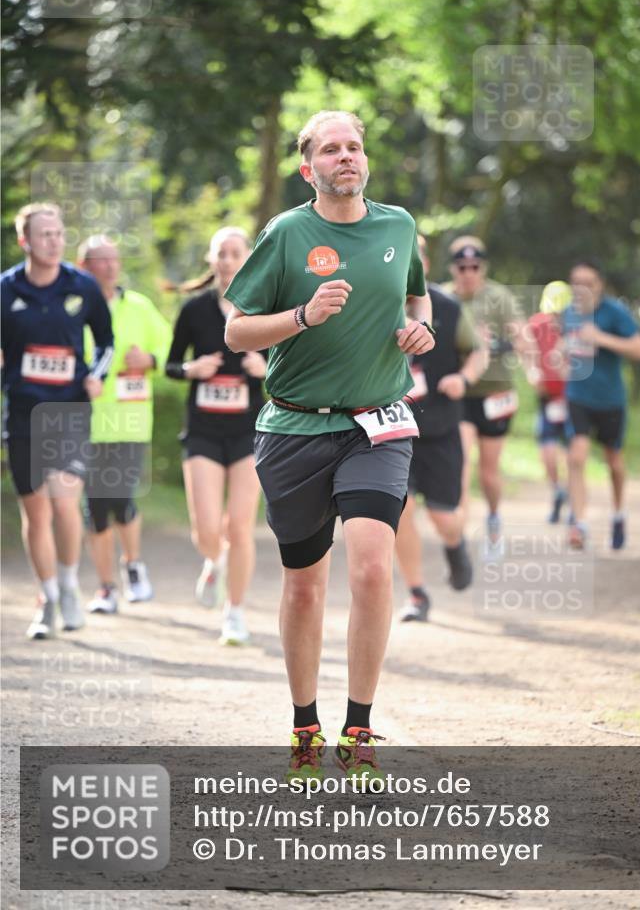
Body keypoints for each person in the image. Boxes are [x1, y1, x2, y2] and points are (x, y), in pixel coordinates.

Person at [224, 110, 434, 784]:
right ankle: (304, 726)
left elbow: (415, 299)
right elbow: (236, 333)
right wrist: (303, 317)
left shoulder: (398, 226)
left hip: (376, 422)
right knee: (306, 586)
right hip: (291, 428)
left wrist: (416, 331)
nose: (346, 157)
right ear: (305, 166)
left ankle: (359, 730)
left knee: (372, 567)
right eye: (330, 149)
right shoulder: (286, 234)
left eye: (354, 146)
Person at [1, 203, 113, 639]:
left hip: (69, 409)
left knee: (64, 502)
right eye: (44, 234)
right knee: (36, 512)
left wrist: (97, 377)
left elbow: (105, 341)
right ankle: (46, 596)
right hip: (24, 410)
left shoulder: (82, 286)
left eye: (59, 233)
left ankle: (68, 584)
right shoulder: (6, 289)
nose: (53, 240)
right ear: (25, 241)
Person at [165, 227, 266, 645]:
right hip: (203, 430)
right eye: (220, 253)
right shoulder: (194, 311)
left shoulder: (264, 306)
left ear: (247, 259)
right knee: (206, 528)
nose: (226, 260)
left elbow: (291, 364)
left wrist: (266, 369)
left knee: (240, 526)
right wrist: (191, 370)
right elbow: (171, 365)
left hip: (249, 431)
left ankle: (235, 613)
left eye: (234, 252)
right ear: (211, 260)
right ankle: (214, 560)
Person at [395, 235, 487, 622]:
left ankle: (455, 544)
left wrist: (463, 380)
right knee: (399, 509)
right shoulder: (370, 305)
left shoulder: (447, 307)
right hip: (392, 430)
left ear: (425, 265)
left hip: (440, 428)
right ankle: (417, 594)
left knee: (444, 517)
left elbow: (479, 353)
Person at [78, 235, 172, 612]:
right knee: (95, 506)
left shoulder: (139, 306)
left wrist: (149, 360)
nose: (111, 266)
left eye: (114, 259)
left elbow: (169, 350)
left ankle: (132, 565)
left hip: (129, 421)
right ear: (84, 266)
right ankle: (105, 588)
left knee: (119, 496)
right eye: (101, 260)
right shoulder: (74, 308)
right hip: (84, 422)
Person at [443, 237, 523, 558]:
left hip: (494, 393)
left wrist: (496, 346)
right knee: (460, 463)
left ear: (483, 268)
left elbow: (523, 337)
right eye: (462, 267)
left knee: (488, 471)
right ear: (453, 268)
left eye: (475, 267)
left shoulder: (499, 297)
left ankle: (492, 518)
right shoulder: (442, 297)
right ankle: (459, 537)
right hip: (459, 393)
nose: (468, 273)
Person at [562, 259, 640, 550]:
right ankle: (580, 523)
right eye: (577, 282)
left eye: (588, 283)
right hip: (578, 396)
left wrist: (603, 338)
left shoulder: (615, 312)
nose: (582, 289)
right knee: (576, 456)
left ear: (599, 285)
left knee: (614, 462)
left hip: (610, 399)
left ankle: (619, 513)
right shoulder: (567, 314)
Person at [525, 281, 572, 524]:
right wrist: (531, 370)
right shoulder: (537, 324)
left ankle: (574, 503)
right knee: (548, 452)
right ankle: (558, 493)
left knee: (572, 453)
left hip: (572, 399)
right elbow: (526, 351)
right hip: (547, 398)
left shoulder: (573, 326)